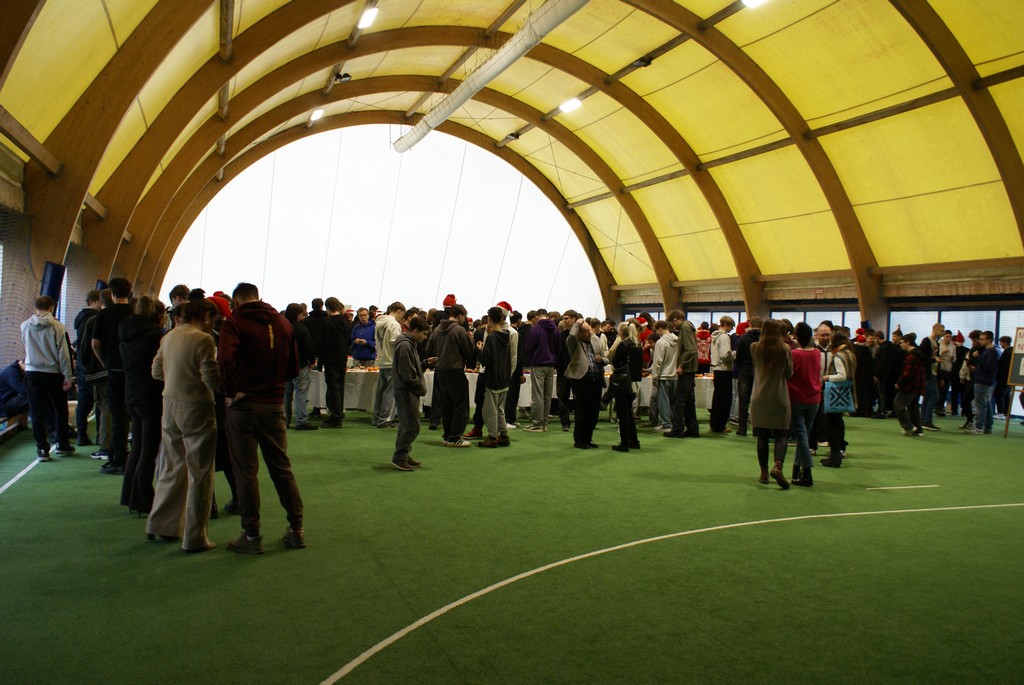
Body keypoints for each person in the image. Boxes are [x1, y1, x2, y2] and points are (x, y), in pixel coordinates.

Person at [219, 283, 305, 553]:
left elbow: (224, 360)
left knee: (246, 472)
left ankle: (252, 535)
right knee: (282, 468)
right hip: (274, 405)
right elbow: (293, 367)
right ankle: (296, 530)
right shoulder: (282, 323)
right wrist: (273, 386)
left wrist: (232, 391)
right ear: (258, 297)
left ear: (236, 301)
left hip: (243, 407)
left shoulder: (234, 323)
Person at [146, 299, 220, 552]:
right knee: (200, 473)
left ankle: (161, 523)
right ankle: (195, 537)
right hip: (197, 408)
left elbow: (156, 372)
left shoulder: (168, 337)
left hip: (170, 407)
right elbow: (210, 378)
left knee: (171, 466)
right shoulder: (204, 340)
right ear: (205, 317)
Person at [119, 295, 167, 514]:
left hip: (131, 394)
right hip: (150, 396)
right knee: (149, 450)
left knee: (137, 447)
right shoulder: (156, 336)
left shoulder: (126, 333)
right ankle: (142, 498)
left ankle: (130, 495)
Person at [21, 296, 74, 461]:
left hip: (32, 372)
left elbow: (26, 347)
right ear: (52, 307)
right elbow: (64, 354)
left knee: (36, 412)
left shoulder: (24, 325)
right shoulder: (57, 326)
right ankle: (62, 444)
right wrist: (68, 376)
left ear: (35, 307)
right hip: (52, 372)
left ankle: (42, 449)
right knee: (60, 408)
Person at [90, 277, 134, 474]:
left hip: (114, 370)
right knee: (135, 413)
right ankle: (137, 455)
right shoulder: (135, 312)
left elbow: (95, 344)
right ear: (130, 292)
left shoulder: (104, 315)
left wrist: (105, 363)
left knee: (118, 415)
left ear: (112, 293)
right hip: (133, 370)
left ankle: (119, 457)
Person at [750, 319, 793, 488]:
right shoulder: (786, 349)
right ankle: (778, 466)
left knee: (762, 436)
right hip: (779, 396)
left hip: (759, 396)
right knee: (782, 435)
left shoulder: (755, 347)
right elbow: (789, 373)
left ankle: (764, 473)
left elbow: (755, 368)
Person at [426, 304, 474, 447]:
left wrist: (437, 361)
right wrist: (470, 339)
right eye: (464, 316)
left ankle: (448, 436)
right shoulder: (459, 330)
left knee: (446, 405)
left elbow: (428, 349)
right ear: (460, 315)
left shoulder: (436, 329)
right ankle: (455, 437)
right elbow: (468, 350)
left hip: (440, 371)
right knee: (460, 405)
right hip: (455, 370)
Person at [391, 316, 431, 470]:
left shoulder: (408, 344)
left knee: (406, 424)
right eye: (424, 334)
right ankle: (400, 456)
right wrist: (419, 386)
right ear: (416, 331)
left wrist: (425, 364)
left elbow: (410, 368)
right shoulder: (405, 346)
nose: (425, 337)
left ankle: (403, 454)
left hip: (406, 389)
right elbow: (407, 373)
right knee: (412, 426)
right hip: (406, 390)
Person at [788, 322, 821, 487]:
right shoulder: (817, 353)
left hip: (797, 398)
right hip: (814, 399)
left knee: (801, 436)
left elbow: (789, 374)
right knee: (804, 436)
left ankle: (807, 471)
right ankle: (796, 469)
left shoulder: (794, 354)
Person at [477, 306, 513, 448]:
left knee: (490, 410)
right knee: (500, 410)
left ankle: (492, 437)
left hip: (493, 378)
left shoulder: (492, 337)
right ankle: (503, 435)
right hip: (504, 377)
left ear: (489, 319)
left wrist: (480, 350)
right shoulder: (506, 335)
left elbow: (485, 360)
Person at [820, 329, 856, 468]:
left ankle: (834, 455)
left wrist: (826, 377)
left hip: (835, 393)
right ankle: (839, 451)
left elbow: (842, 375)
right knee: (839, 423)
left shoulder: (838, 356)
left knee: (831, 424)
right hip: (845, 392)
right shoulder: (850, 353)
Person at [523, 308, 560, 432]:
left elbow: (528, 348)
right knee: (547, 395)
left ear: (537, 317)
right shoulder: (555, 329)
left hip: (538, 364)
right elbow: (558, 348)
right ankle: (544, 422)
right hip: (551, 365)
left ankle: (537, 424)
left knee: (537, 395)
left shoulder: (535, 330)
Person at [607, 322, 642, 452]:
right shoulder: (638, 345)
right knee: (629, 413)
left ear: (621, 332)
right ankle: (634, 440)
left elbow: (615, 361)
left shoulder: (623, 345)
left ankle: (624, 443)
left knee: (623, 413)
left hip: (624, 382)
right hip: (635, 381)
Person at [72, 290, 101, 445]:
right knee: (100, 402)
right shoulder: (95, 319)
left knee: (83, 403)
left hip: (82, 366)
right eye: (99, 302)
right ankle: (100, 436)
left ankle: (81, 435)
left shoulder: (80, 319)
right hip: (95, 365)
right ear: (92, 302)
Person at [664, 311, 699, 439]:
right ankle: (692, 429)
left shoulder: (685, 328)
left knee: (679, 400)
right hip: (689, 369)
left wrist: (681, 365)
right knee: (688, 401)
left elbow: (690, 349)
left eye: (672, 322)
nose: (673, 326)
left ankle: (678, 429)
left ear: (677, 319)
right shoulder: (688, 327)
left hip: (686, 370)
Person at [283, 304, 317, 431]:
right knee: (301, 393)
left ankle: (284, 420)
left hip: (285, 364)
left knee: (287, 394)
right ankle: (301, 420)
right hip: (300, 364)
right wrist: (312, 360)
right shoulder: (302, 328)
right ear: (299, 314)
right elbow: (308, 346)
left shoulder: (283, 326)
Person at [372, 301, 405, 428]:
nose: (402, 318)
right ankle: (385, 419)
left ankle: (376, 417)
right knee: (390, 393)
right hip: (392, 361)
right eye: (402, 315)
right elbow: (396, 342)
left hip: (381, 361)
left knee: (380, 392)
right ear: (399, 311)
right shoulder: (394, 324)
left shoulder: (379, 323)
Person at [320, 297, 351, 428]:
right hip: (342, 359)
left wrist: (320, 361)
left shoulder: (327, 323)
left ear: (327, 308)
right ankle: (339, 413)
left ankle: (336, 418)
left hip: (331, 359)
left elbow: (325, 344)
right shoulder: (346, 322)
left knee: (333, 389)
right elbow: (349, 341)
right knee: (340, 388)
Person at [733, 316, 762, 437]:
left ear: (749, 324)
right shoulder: (763, 338)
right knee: (757, 401)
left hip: (745, 370)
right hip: (759, 372)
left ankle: (742, 428)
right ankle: (757, 429)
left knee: (743, 401)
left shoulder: (743, 338)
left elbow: (738, 356)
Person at [893, 333, 925, 437]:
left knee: (898, 405)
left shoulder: (911, 357)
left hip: (909, 386)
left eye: (902, 342)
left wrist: (899, 383)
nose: (900, 344)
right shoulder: (918, 354)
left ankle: (908, 426)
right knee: (913, 407)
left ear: (908, 343)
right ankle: (918, 430)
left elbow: (907, 374)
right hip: (918, 385)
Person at [968, 331, 1000, 435]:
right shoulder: (989, 351)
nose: (980, 341)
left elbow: (988, 367)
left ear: (989, 340)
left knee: (980, 405)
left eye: (982, 339)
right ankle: (988, 426)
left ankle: (979, 427)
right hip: (986, 381)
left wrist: (977, 358)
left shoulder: (992, 352)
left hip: (984, 381)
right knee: (986, 404)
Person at [709, 315, 735, 433]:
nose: (731, 329)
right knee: (724, 399)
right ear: (727, 324)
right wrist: (734, 354)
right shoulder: (724, 337)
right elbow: (725, 354)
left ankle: (714, 423)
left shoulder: (714, 336)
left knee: (717, 398)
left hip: (716, 369)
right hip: (724, 369)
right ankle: (720, 425)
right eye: (731, 326)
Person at [650, 320, 677, 432]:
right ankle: (674, 423)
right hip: (675, 375)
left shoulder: (661, 342)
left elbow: (658, 361)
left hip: (664, 375)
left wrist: (654, 376)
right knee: (673, 402)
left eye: (657, 331)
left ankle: (666, 424)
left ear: (660, 329)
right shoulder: (677, 340)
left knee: (663, 401)